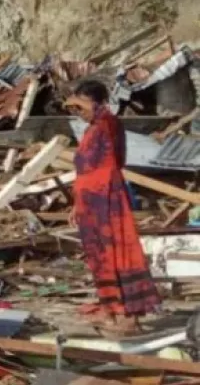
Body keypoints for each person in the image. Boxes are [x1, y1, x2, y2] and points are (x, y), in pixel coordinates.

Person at [64, 80, 161, 335]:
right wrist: (77, 203)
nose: (79, 111)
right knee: (99, 258)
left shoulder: (108, 124)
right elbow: (83, 171)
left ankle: (130, 316)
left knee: (117, 254)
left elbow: (112, 160)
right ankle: (111, 310)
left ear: (98, 103)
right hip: (89, 204)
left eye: (83, 105)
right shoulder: (89, 130)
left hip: (107, 200)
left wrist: (85, 102)